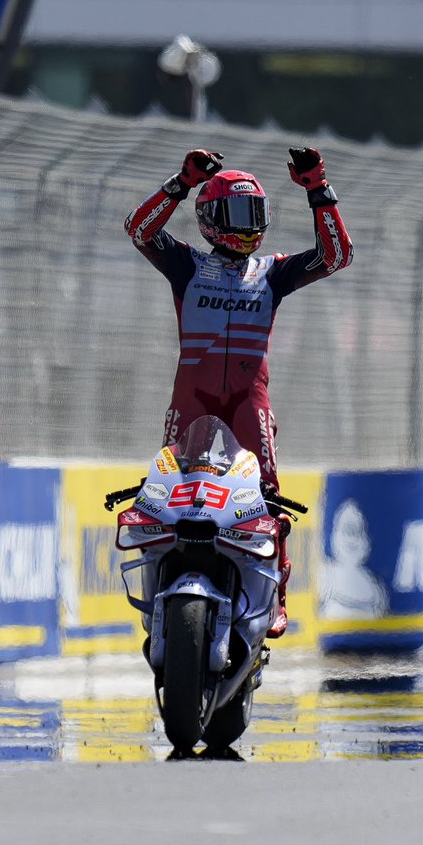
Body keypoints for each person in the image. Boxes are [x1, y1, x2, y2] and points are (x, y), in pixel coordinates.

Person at [124, 146, 353, 636]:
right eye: (237, 213)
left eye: (256, 214)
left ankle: (276, 598)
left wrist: (318, 189)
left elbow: (337, 256)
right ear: (208, 218)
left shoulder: (272, 271)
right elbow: (140, 230)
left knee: (269, 500)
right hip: (192, 401)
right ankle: (162, 583)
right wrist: (180, 182)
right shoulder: (185, 265)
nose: (248, 225)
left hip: (250, 401)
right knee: (163, 494)